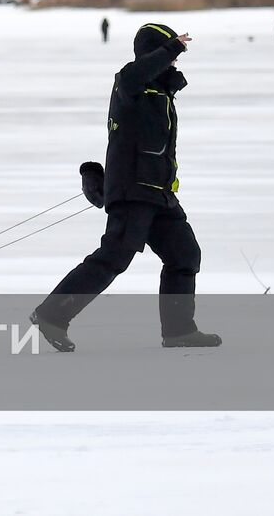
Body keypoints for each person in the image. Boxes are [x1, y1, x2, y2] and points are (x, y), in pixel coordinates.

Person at [31, 23, 221, 351]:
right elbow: (139, 71)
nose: (174, 64)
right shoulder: (129, 83)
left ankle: (178, 332)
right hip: (134, 193)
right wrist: (171, 47)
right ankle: (52, 315)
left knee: (185, 255)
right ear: (153, 52)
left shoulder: (160, 92)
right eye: (168, 55)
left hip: (158, 194)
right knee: (114, 257)